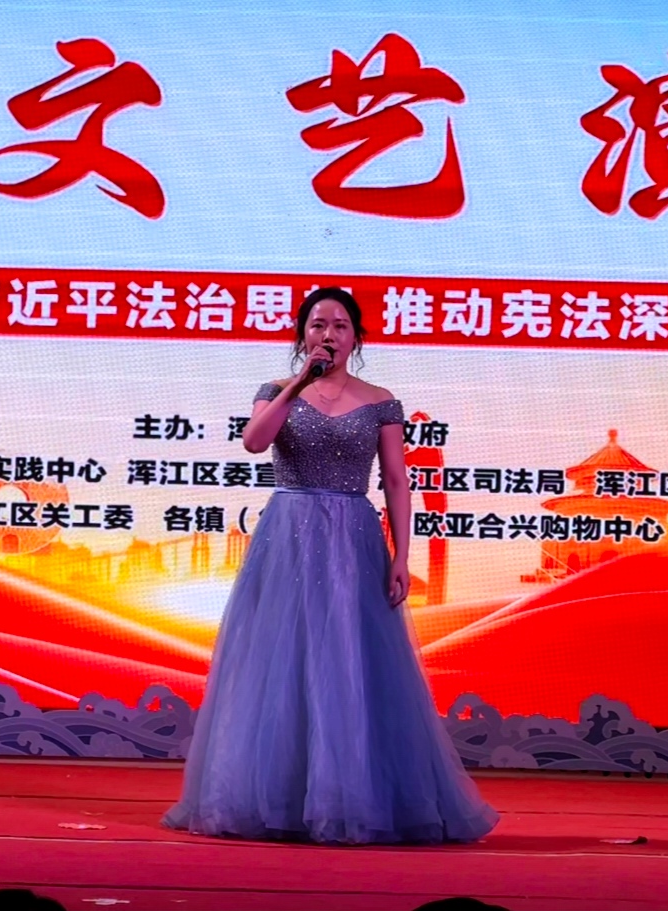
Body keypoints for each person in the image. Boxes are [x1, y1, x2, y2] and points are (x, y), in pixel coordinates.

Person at [163, 287, 498, 845]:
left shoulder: (380, 401)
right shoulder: (277, 390)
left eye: (340, 326)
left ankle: (351, 798)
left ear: (356, 338)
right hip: (288, 536)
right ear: (303, 334)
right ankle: (275, 799)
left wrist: (402, 555)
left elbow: (396, 481)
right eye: (318, 324)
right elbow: (253, 442)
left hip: (352, 536)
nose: (329, 334)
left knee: (349, 664)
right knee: (280, 663)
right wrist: (298, 382)